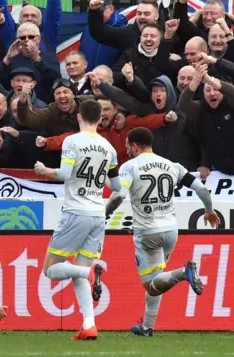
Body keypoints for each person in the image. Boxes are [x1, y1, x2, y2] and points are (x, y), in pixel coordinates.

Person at [105, 127, 220, 336]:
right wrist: (209, 211)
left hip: (148, 232)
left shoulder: (130, 167)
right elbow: (202, 189)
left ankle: (183, 272)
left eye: (127, 146)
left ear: (135, 146)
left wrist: (104, 215)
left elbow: (118, 196)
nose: (127, 150)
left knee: (152, 285)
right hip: (170, 231)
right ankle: (148, 326)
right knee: (158, 278)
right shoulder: (172, 165)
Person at [33, 99, 121, 341]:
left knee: (50, 269)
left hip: (75, 211)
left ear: (79, 117)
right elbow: (116, 186)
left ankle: (89, 272)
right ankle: (89, 324)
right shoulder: (108, 147)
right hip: (97, 215)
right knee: (78, 271)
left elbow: (63, 174)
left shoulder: (73, 141)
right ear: (99, 119)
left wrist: (43, 171)